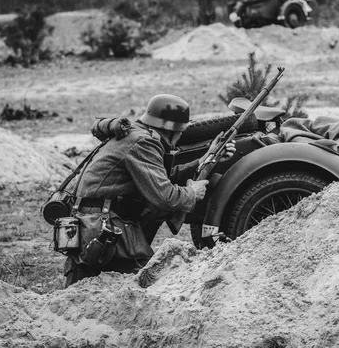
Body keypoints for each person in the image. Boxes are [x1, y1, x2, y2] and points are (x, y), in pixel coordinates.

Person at [63, 94, 235, 287]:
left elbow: (159, 178)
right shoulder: (144, 143)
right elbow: (165, 196)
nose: (179, 137)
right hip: (102, 228)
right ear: (170, 129)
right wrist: (192, 193)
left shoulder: (137, 135)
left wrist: (206, 159)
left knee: (86, 290)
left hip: (93, 223)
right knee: (149, 283)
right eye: (179, 131)